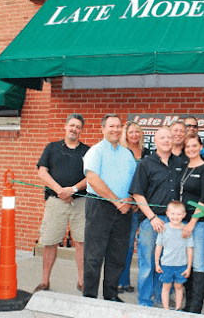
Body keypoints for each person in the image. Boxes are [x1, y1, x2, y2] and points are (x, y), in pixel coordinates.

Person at [82, 114, 137, 302]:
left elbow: (134, 181)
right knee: (94, 255)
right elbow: (93, 179)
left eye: (118, 126)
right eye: (111, 126)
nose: (115, 129)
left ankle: (111, 295)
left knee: (117, 254)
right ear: (102, 128)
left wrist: (129, 200)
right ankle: (89, 297)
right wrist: (116, 201)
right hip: (100, 206)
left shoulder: (127, 153)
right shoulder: (95, 151)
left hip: (124, 210)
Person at [34, 113, 90, 293]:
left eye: (78, 127)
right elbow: (42, 173)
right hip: (55, 202)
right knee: (50, 242)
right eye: (72, 125)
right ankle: (45, 282)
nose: (74, 129)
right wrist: (60, 190)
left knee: (81, 242)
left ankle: (82, 281)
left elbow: (91, 177)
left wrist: (73, 189)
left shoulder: (87, 151)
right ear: (65, 127)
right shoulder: (51, 148)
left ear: (81, 130)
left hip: (80, 202)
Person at [130, 127, 185, 307]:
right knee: (147, 263)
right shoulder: (146, 163)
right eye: (162, 137)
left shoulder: (181, 163)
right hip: (151, 220)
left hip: (174, 223)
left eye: (169, 137)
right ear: (155, 140)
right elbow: (137, 194)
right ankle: (145, 300)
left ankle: (160, 296)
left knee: (167, 262)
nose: (167, 140)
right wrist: (152, 218)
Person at [180, 134, 204, 313]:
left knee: (198, 262)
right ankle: (188, 305)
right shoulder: (185, 167)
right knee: (187, 263)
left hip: (198, 224)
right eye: (188, 146)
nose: (191, 149)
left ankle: (196, 308)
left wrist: (192, 222)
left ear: (201, 147)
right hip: (182, 222)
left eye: (194, 146)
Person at [117, 121, 150, 294]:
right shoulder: (122, 152)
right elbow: (123, 178)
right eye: (131, 132)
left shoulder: (146, 153)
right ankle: (121, 281)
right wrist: (130, 199)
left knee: (140, 245)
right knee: (127, 244)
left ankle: (127, 281)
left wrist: (139, 201)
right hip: (127, 204)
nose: (135, 135)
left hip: (142, 205)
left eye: (137, 132)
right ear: (126, 134)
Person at [155, 201, 194, 311]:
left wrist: (188, 267)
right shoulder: (164, 229)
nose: (175, 217)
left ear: (184, 215)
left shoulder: (186, 230)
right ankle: (166, 309)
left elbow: (189, 249)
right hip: (166, 264)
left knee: (179, 287)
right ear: (167, 213)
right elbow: (158, 247)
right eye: (172, 214)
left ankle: (178, 309)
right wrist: (157, 263)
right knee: (166, 286)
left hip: (181, 264)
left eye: (178, 214)